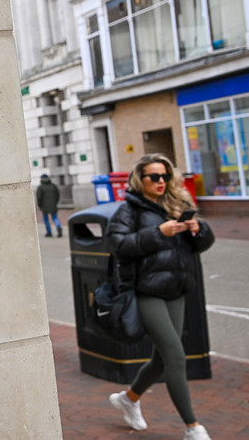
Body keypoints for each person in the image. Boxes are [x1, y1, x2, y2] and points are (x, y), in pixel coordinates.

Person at [105, 154, 215, 440]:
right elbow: (118, 244)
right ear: (139, 180)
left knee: (164, 359)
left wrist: (197, 230)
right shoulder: (129, 211)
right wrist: (158, 232)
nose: (161, 182)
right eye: (154, 176)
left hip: (175, 289)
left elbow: (203, 243)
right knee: (176, 356)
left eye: (164, 176)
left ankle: (128, 399)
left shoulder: (177, 204)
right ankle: (193, 427)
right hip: (145, 290)